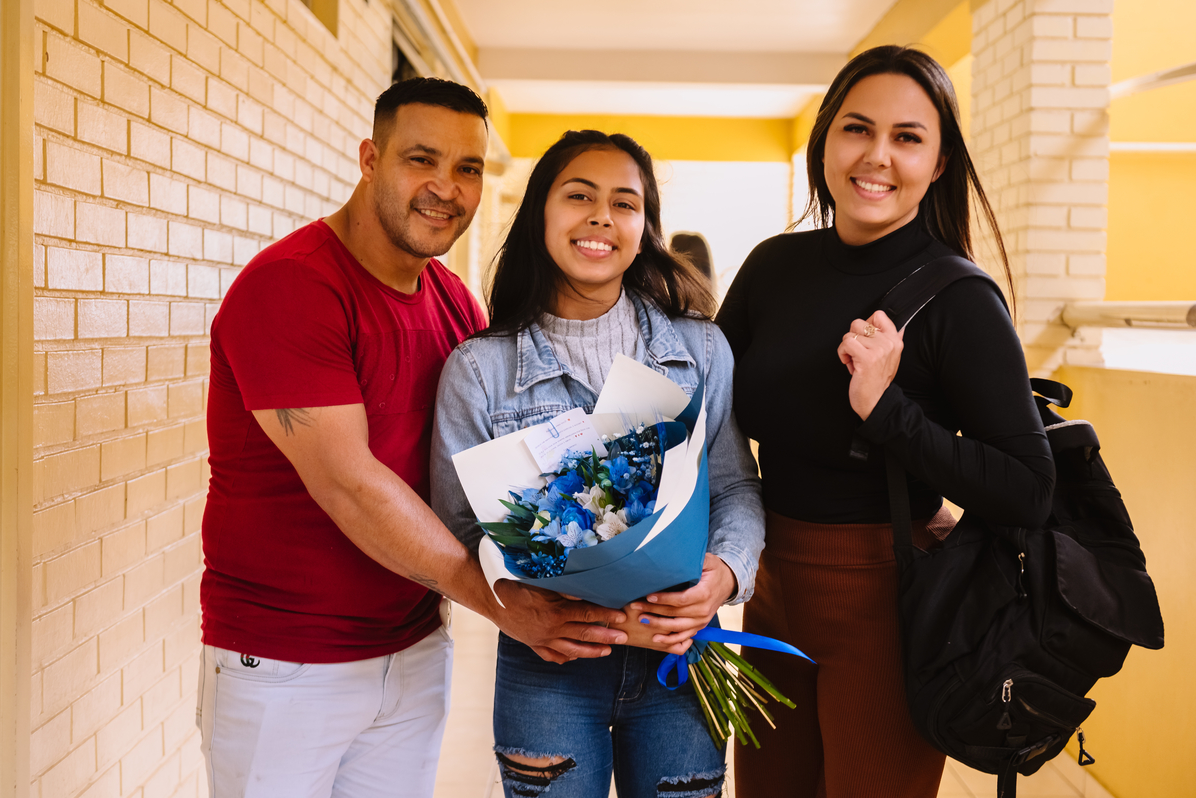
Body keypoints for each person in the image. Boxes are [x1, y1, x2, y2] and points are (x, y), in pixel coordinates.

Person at [198, 79, 627, 798]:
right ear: (370, 159)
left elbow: (500, 462)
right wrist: (503, 603)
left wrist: (620, 559)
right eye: (421, 159)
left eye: (467, 168)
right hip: (285, 663)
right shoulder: (292, 287)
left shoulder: (454, 303)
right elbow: (350, 484)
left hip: (414, 646)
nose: (446, 188)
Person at [716, 46, 1056, 798]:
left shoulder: (961, 300)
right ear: (825, 141)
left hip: (890, 604)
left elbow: (1029, 489)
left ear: (938, 164)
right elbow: (706, 413)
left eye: (907, 137)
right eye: (857, 128)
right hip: (770, 587)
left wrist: (887, 411)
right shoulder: (772, 267)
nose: (877, 156)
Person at [430, 130, 765, 798]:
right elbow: (458, 524)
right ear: (540, 214)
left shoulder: (701, 349)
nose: (602, 217)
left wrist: (725, 574)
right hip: (548, 660)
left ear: (645, 229)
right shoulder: (479, 369)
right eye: (579, 196)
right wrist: (513, 598)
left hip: (679, 653)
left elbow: (734, 487)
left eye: (624, 203)